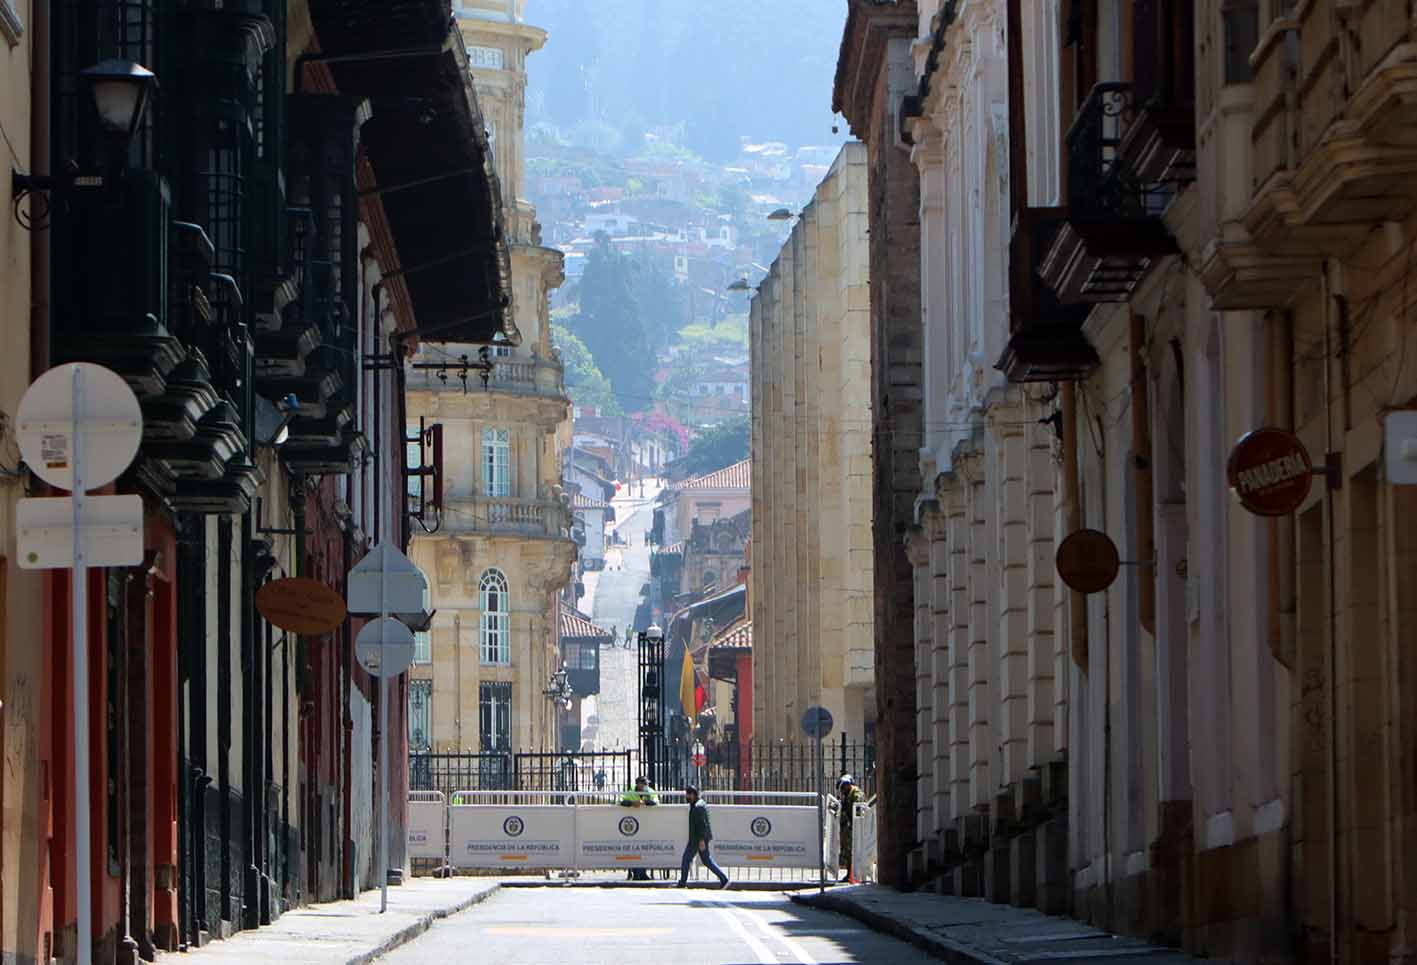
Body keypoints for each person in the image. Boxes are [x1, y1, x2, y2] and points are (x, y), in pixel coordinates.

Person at [677, 785, 730, 889]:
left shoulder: (698, 807)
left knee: (686, 859)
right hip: (698, 838)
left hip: (697, 839)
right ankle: (724, 879)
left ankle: (682, 883)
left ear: (692, 794)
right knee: (706, 860)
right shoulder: (698, 804)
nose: (686, 796)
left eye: (687, 794)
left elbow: (702, 824)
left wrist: (701, 840)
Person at [620, 777, 659, 880]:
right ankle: (636, 872)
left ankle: (642, 873)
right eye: (644, 784)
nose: (646, 786)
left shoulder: (650, 792)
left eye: (646, 784)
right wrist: (632, 804)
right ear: (638, 784)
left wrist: (644, 803)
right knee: (634, 848)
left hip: (647, 823)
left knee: (645, 848)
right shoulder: (631, 791)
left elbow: (656, 802)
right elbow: (621, 802)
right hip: (633, 824)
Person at [836, 774, 865, 883]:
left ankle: (854, 874)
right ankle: (849, 874)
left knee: (854, 851)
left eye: (843, 786)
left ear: (848, 785)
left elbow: (858, 808)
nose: (842, 790)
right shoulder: (847, 794)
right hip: (849, 828)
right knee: (848, 851)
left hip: (856, 827)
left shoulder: (856, 794)